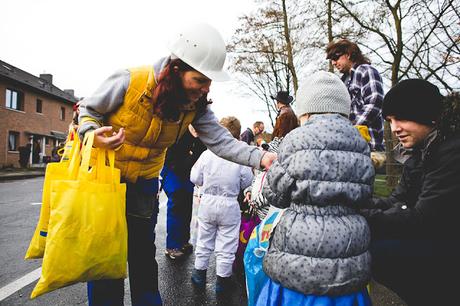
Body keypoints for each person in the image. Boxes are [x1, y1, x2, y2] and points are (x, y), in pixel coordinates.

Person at [77, 23, 276, 306]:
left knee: (143, 257)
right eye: (200, 79)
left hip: (144, 184)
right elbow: (89, 109)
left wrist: (261, 157)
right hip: (105, 180)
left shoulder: (195, 106)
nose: (206, 88)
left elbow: (222, 141)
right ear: (176, 70)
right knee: (104, 256)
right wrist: (90, 133)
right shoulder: (129, 81)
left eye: (209, 81)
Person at [258, 71, 374, 305]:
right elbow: (366, 195)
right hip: (350, 251)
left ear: (306, 111)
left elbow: (275, 195)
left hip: (298, 252)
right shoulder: (360, 143)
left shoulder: (296, 140)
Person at [360, 79, 460, 306]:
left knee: (377, 250)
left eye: (401, 118)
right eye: (390, 121)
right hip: (439, 239)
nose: (395, 128)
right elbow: (399, 198)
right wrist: (358, 206)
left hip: (450, 247)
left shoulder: (452, 151)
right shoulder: (423, 149)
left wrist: (363, 217)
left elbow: (424, 218)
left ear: (427, 114)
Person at [189, 116, 253, 294]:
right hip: (230, 203)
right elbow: (247, 180)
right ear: (237, 135)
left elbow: (195, 177)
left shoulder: (207, 154)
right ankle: (222, 281)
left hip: (208, 201)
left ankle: (198, 275)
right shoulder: (238, 156)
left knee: (204, 239)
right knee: (227, 243)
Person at [326, 39, 385, 152]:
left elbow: (375, 103)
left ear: (348, 54)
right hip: (349, 149)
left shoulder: (366, 71)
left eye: (335, 58)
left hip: (370, 148)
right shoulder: (341, 82)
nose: (333, 63)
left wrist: (350, 130)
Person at [161, 124, 207, 260]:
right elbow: (171, 157)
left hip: (188, 174)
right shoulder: (179, 132)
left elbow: (201, 157)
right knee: (176, 204)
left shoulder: (202, 138)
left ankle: (183, 241)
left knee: (187, 206)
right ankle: (172, 246)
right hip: (173, 171)